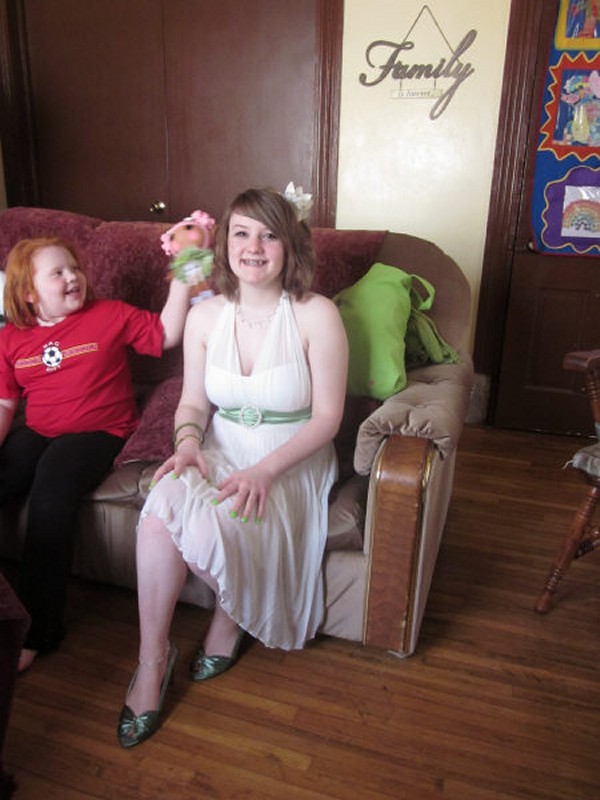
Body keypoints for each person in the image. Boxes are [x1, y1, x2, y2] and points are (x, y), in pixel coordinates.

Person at [117, 187, 348, 748]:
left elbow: (328, 419)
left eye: (269, 235)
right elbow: (193, 404)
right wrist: (187, 445)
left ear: (291, 246)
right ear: (224, 245)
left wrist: (266, 471)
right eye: (241, 233)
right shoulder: (204, 317)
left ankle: (231, 617)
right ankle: (152, 660)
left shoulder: (317, 315)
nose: (254, 247)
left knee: (237, 509)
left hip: (291, 455)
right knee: (161, 508)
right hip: (221, 443)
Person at [0, 236, 192, 672]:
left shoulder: (108, 314)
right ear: (28, 292)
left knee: (50, 492)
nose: (73, 277)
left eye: (75, 268)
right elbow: (6, 403)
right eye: (58, 273)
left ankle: (40, 630)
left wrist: (183, 274)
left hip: (97, 431)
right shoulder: (11, 338)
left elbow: (166, 334)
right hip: (38, 429)